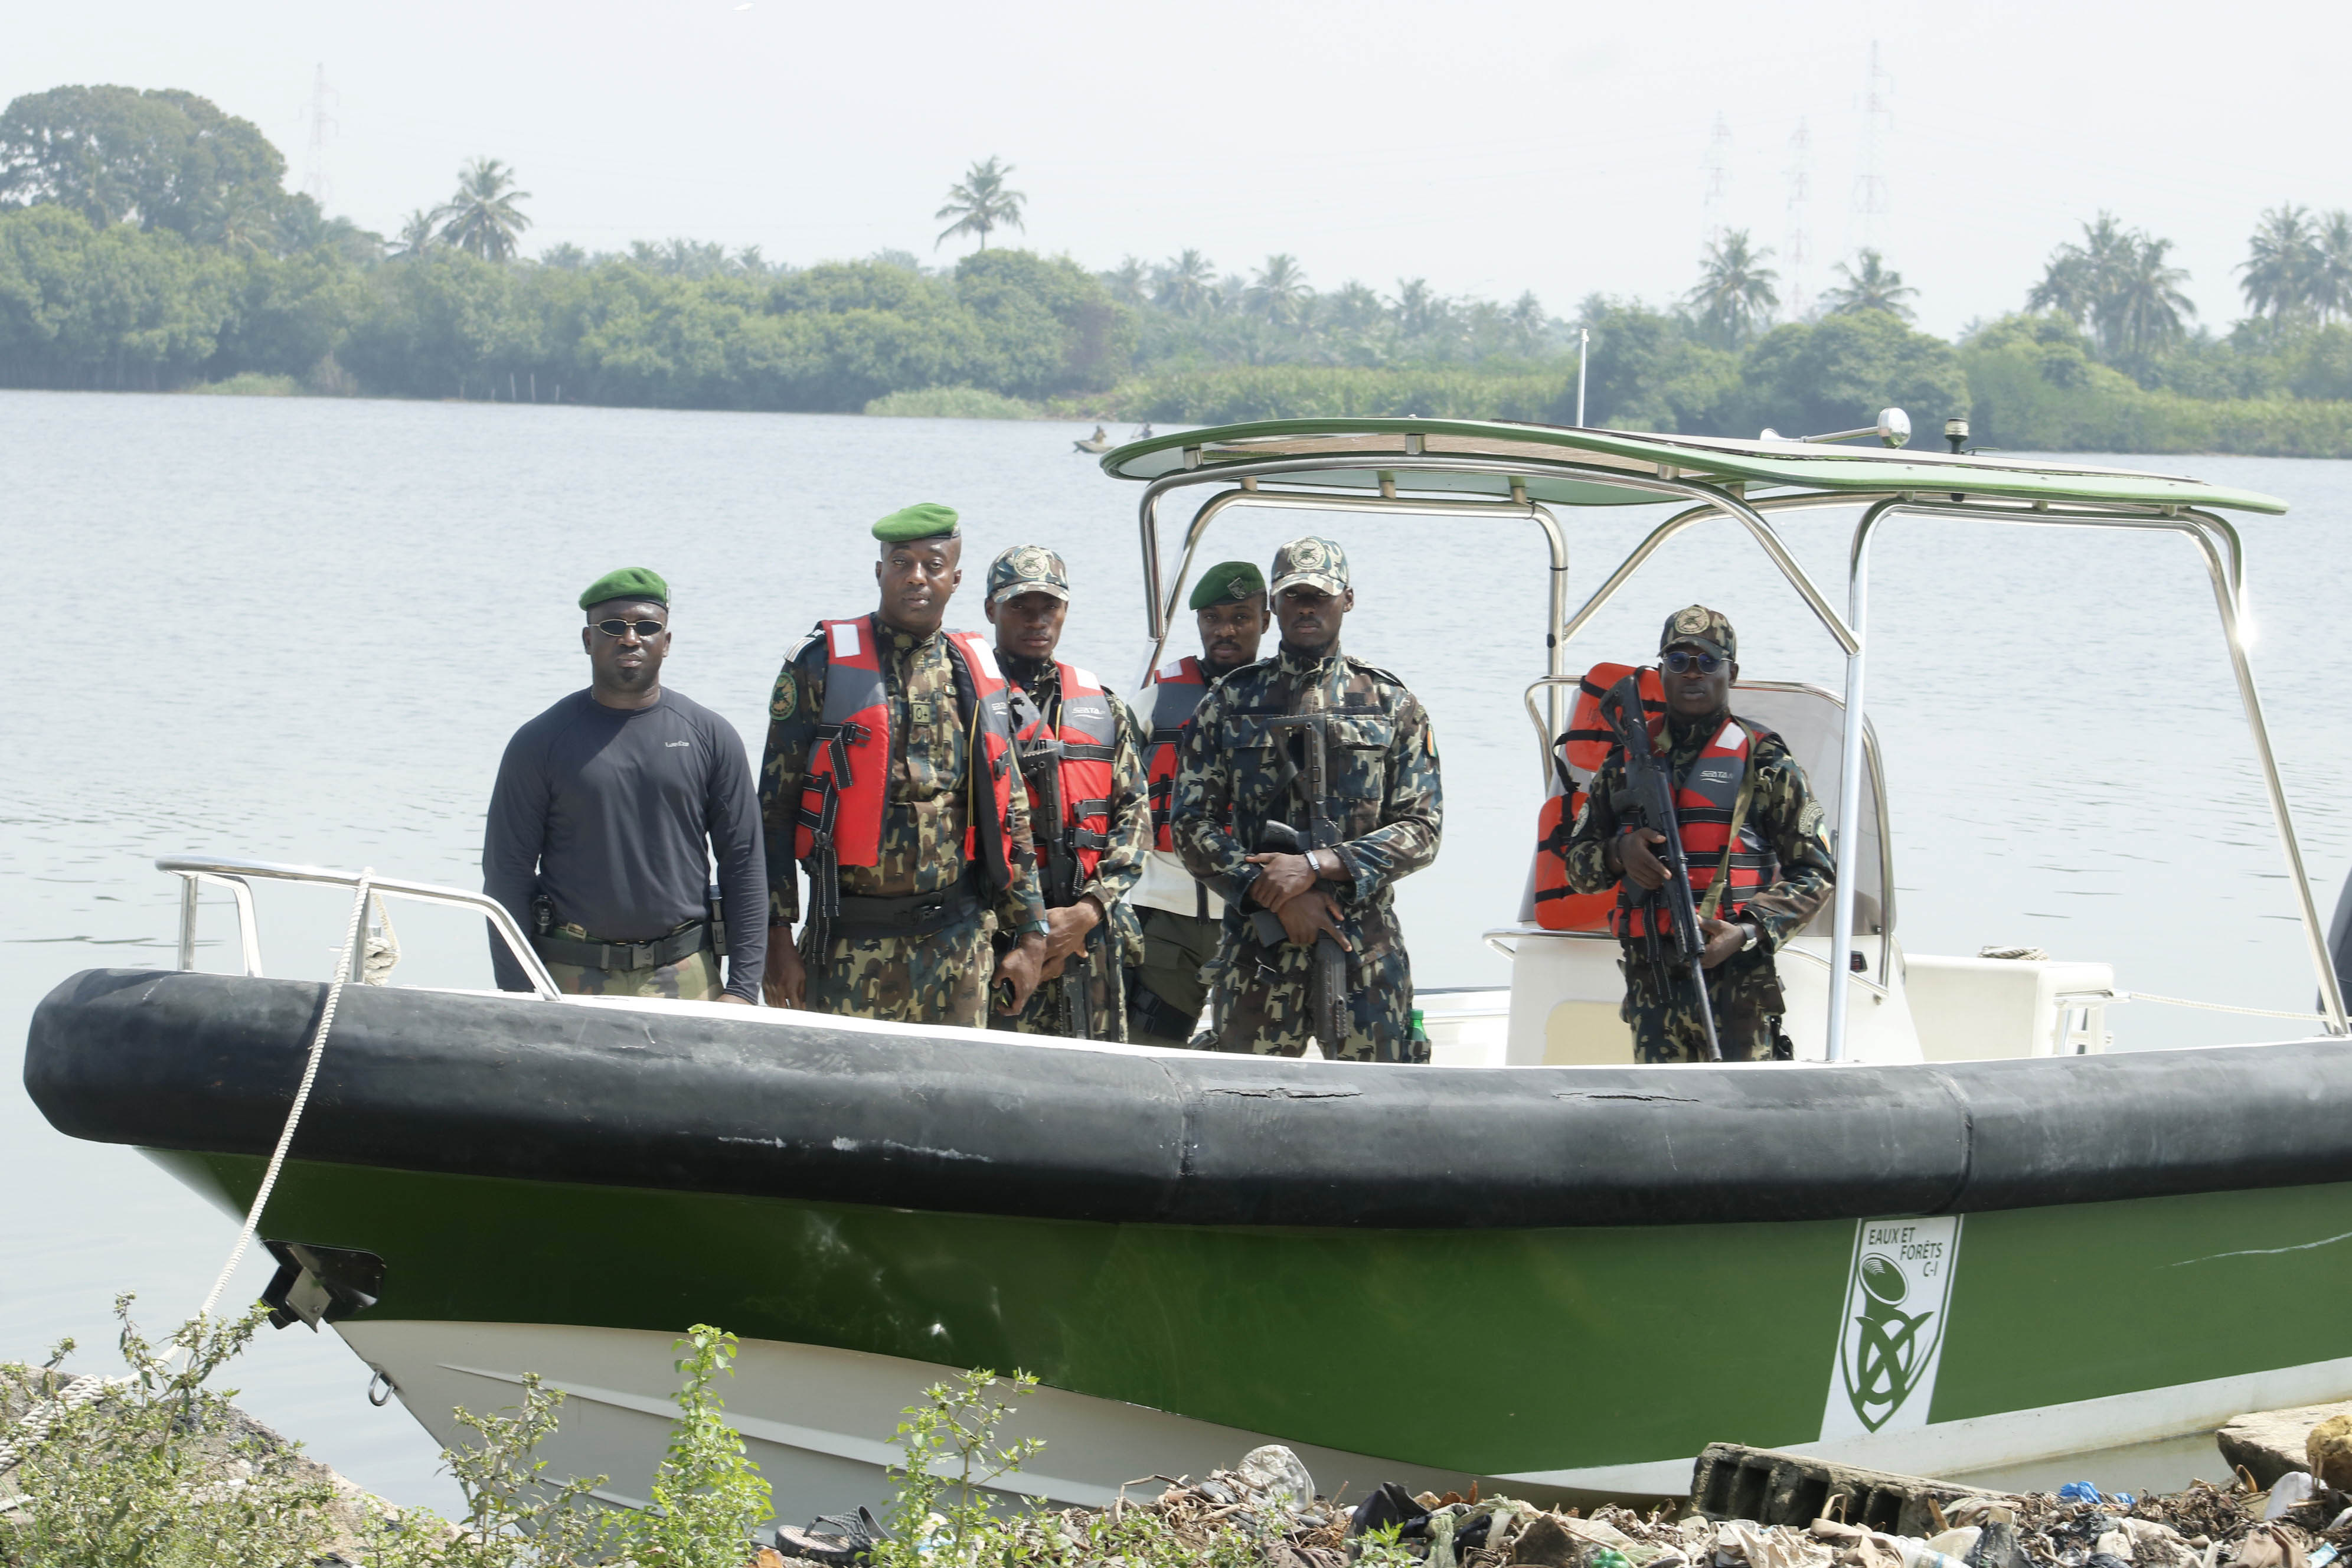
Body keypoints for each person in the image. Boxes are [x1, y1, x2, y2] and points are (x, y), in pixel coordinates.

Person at [756, 504, 1048, 1025]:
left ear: (955, 579)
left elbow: (1012, 811)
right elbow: (774, 812)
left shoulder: (978, 672)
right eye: (901, 563)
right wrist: (777, 937)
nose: (916, 577)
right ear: (879, 571)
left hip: (958, 946)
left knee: (956, 1099)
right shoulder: (819, 665)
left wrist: (1030, 935)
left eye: (933, 565)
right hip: (849, 943)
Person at [1171, 536, 1443, 1061]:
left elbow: (1422, 829)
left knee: (1381, 1109)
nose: (1307, 607)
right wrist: (1273, 892)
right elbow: (1190, 825)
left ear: (1348, 599)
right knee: (1245, 1109)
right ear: (1273, 604)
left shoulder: (1391, 705)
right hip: (1259, 946)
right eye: (1294, 596)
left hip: (1364, 945)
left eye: (1319, 595)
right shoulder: (1229, 702)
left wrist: (1320, 866)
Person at [1557, 605, 1835, 1063]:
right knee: (1660, 1119)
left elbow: (1817, 873)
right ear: (1662, 670)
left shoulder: (1763, 761)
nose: (1693, 674)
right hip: (1653, 985)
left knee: (1742, 1119)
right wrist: (1618, 853)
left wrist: (1747, 931)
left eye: (1708, 662)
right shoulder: (1623, 761)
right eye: (1678, 662)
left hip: (1738, 981)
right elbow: (1578, 869)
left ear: (1733, 673)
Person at [483, 567, 766, 1002]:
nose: (630, 639)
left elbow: (744, 865)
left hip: (686, 973)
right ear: (587, 640)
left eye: (647, 627)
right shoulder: (540, 742)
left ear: (666, 643)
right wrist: (519, 991)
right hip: (569, 974)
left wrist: (744, 989)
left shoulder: (711, 736)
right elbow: (507, 874)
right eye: (613, 627)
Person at [982, 544, 1151, 1040]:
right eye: (1020, 606)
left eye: (1049, 607)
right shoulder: (968, 701)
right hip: (1001, 942)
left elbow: (1136, 820)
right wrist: (1031, 927)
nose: (1037, 620)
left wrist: (1091, 908)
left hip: (1091, 937)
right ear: (991, 609)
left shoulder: (1104, 707)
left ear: (1066, 610)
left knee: (1103, 1081)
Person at [1126, 560, 1272, 1045]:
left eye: (1240, 617)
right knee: (1149, 1054)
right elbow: (1114, 803)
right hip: (1165, 917)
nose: (1225, 630)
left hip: (1258, 911)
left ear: (1266, 620)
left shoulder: (1291, 702)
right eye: (1212, 618)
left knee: (1253, 1057)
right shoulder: (1153, 703)